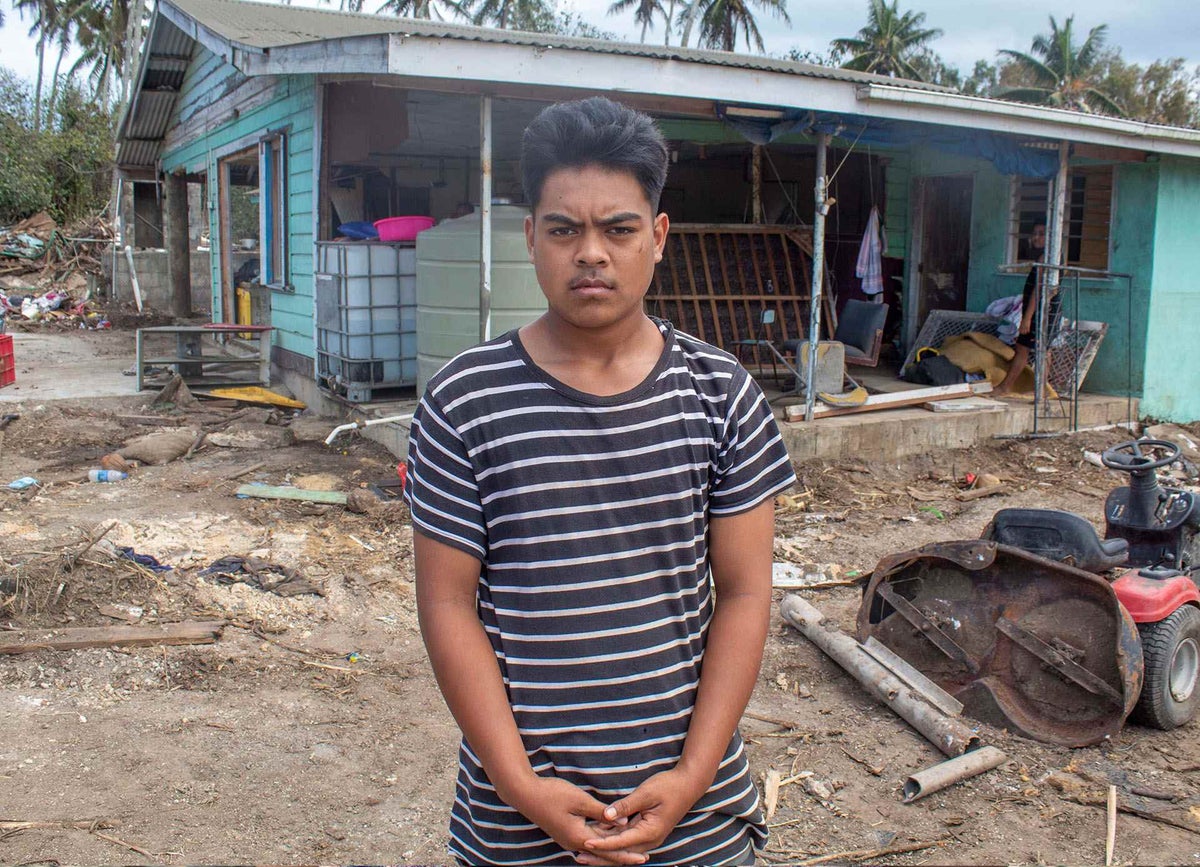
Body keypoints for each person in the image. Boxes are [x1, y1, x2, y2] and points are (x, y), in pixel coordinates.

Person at [404, 96, 796, 867]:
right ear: (530, 239)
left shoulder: (721, 395)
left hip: (697, 819)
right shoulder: (462, 402)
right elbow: (447, 603)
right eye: (564, 229)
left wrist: (689, 777)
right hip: (519, 820)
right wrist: (520, 784)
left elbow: (747, 593)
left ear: (656, 238)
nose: (591, 252)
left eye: (617, 229)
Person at [994, 222, 1060, 396]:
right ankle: (1034, 390)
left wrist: (1027, 317)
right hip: (1044, 309)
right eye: (1034, 233)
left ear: (1051, 237)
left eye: (1041, 234)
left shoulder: (1046, 259)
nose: (1036, 238)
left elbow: (1039, 291)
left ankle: (1009, 387)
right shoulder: (1050, 256)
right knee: (1035, 349)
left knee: (1035, 349)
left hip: (1042, 311)